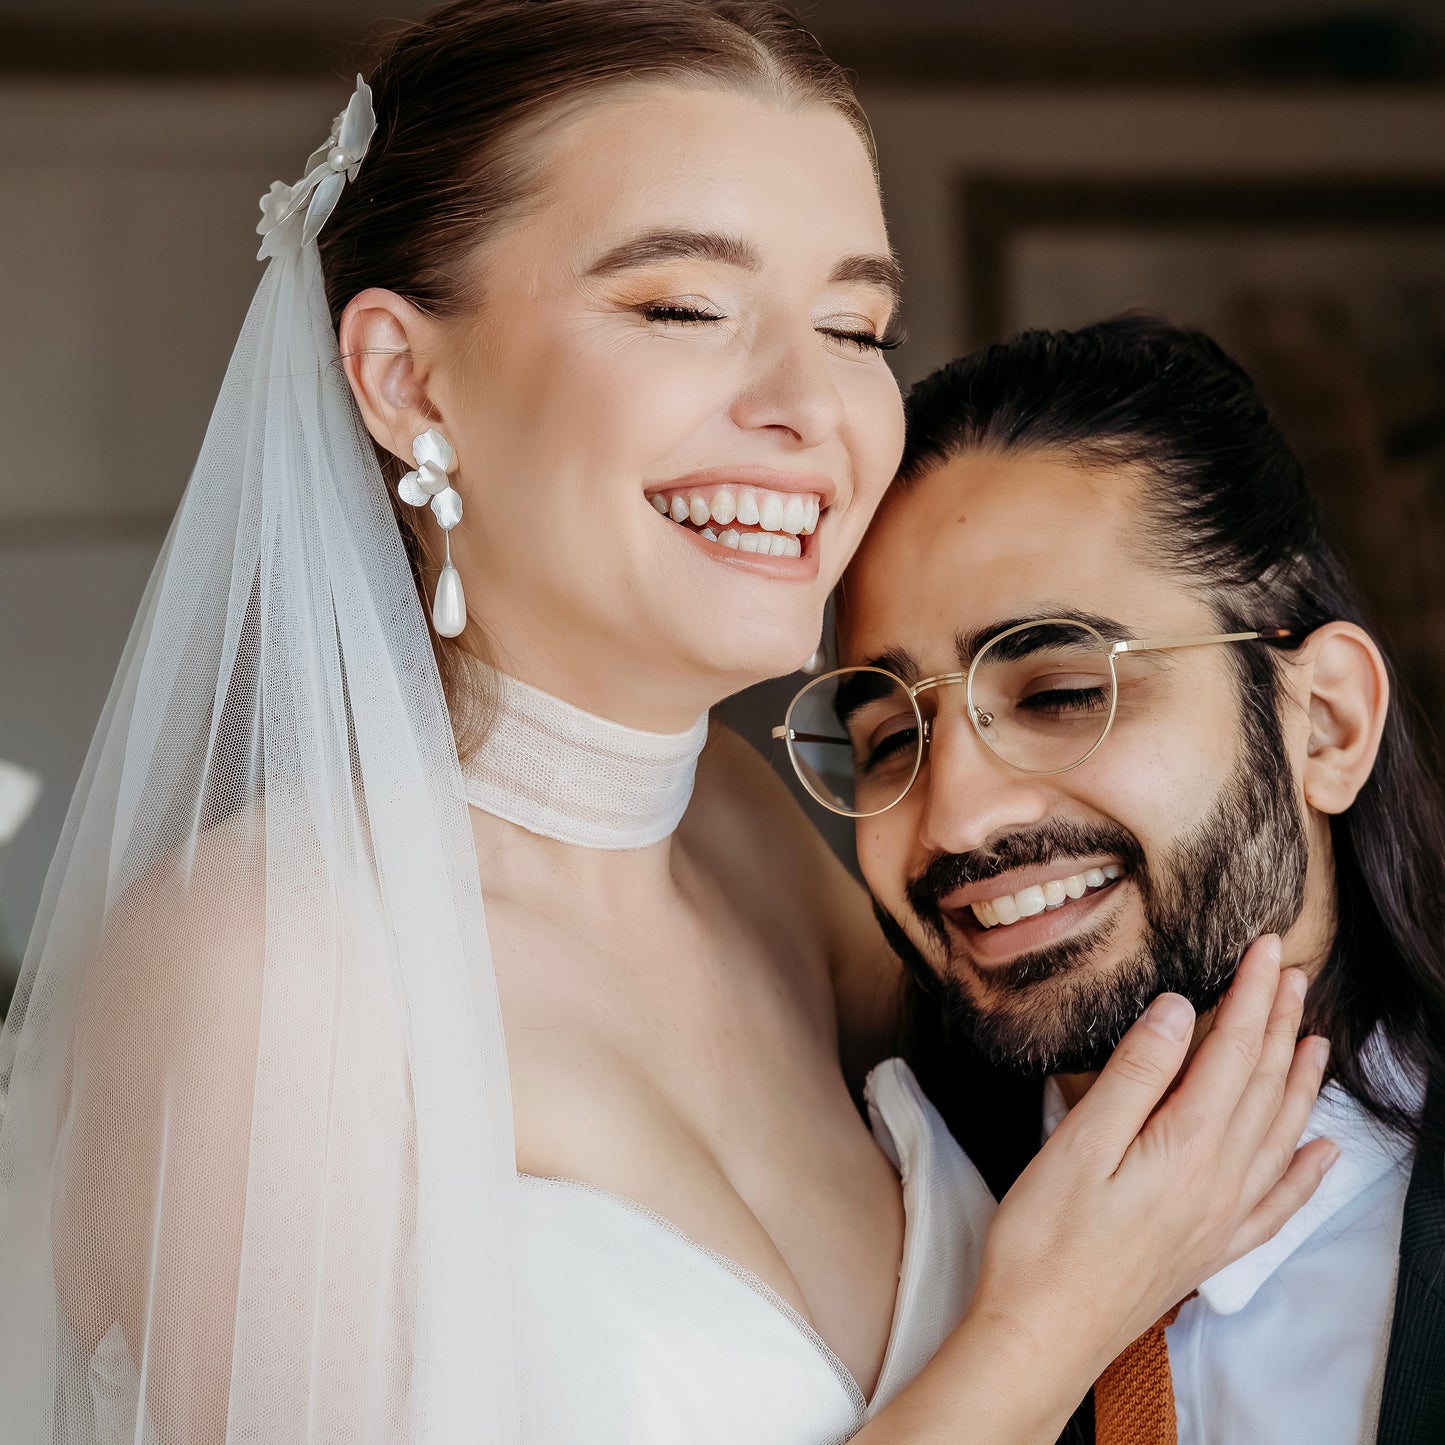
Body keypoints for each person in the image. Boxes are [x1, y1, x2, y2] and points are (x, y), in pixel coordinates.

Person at [0, 8, 1334, 1442]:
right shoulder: (258, 967)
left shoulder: (767, 847)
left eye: (853, 326)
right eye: (684, 308)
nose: (807, 407)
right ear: (403, 375)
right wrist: (1046, 1328)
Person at [783, 315, 1445, 1444]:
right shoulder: (854, 1224)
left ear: (1325, 722)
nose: (953, 813)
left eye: (1058, 693)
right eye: (890, 737)